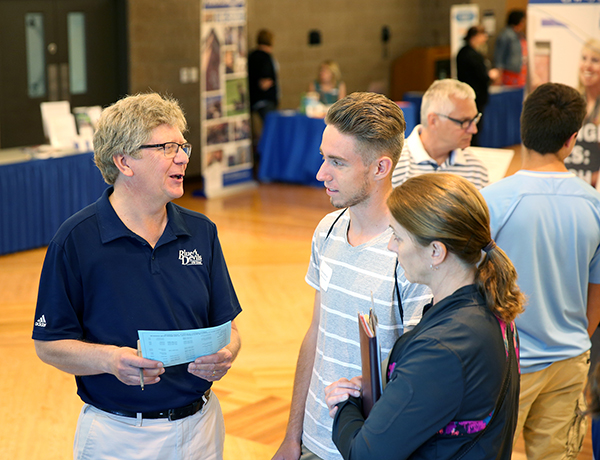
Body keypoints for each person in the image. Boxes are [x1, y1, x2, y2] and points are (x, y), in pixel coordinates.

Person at [32, 93, 242, 460]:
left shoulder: (202, 231)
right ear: (124, 162)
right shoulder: (75, 240)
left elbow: (229, 329)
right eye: (167, 147)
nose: (183, 157)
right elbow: (48, 344)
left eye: (182, 145)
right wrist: (110, 361)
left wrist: (227, 353)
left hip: (203, 429)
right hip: (119, 438)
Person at [271, 92, 431, 460]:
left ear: (380, 168)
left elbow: (417, 375)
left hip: (372, 447)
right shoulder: (326, 229)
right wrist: (293, 435)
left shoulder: (412, 253)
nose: (320, 174)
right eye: (322, 158)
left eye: (337, 162)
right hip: (313, 438)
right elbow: (317, 332)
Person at [325, 173, 524, 459]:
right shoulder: (490, 305)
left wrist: (345, 406)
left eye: (397, 236)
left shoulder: (443, 347)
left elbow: (364, 454)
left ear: (435, 251)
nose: (391, 246)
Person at [481, 82, 600, 460]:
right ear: (572, 140)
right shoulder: (595, 205)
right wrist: (573, 340)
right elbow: (596, 293)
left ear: (523, 128)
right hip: (569, 361)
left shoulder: (491, 202)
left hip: (505, 366)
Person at [391, 79, 489, 189]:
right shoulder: (392, 165)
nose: (473, 130)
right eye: (464, 122)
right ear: (433, 121)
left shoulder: (476, 170)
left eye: (475, 119)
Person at [570, 38, 600, 189]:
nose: (587, 66)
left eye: (595, 60)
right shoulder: (570, 100)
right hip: (568, 185)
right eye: (584, 58)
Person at [457, 25, 499, 117]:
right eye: (483, 35)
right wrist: (490, 76)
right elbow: (480, 75)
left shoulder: (464, 52)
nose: (485, 38)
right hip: (474, 95)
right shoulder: (471, 55)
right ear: (475, 36)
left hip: (470, 94)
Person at [248, 28, 279, 121]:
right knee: (271, 127)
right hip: (265, 100)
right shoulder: (265, 58)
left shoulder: (251, 55)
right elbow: (264, 82)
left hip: (253, 99)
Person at [494, 9, 527, 87]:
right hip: (509, 72)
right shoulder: (506, 35)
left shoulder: (520, 35)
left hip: (520, 71)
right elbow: (499, 55)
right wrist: (499, 74)